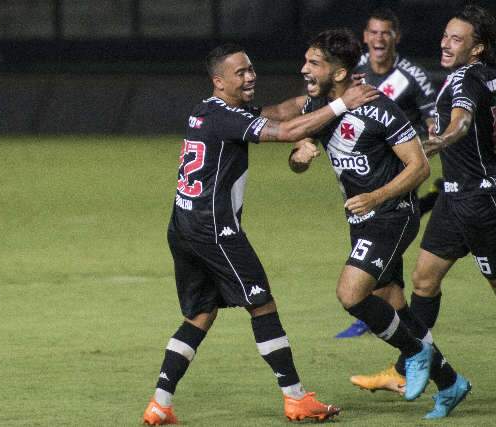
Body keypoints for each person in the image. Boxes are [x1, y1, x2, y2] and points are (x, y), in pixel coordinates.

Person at [141, 43, 379, 425]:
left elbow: (280, 112)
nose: (250, 76)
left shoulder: (208, 111)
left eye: (251, 69)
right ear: (219, 81)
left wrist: (319, 94)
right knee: (261, 305)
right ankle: (296, 399)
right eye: (241, 73)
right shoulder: (226, 119)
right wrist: (341, 105)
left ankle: (160, 404)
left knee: (200, 313)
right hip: (214, 229)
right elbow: (285, 130)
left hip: (183, 225)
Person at [352, 4, 496, 414]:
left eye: (457, 39)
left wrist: (440, 140)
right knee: (424, 280)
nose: (445, 44)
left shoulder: (465, 80)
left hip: (481, 201)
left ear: (476, 48)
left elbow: (461, 123)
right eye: (446, 36)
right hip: (454, 195)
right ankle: (406, 366)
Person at [271, 28, 468, 419]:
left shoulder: (379, 108)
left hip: (393, 215)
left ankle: (414, 355)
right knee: (394, 305)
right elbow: (296, 157)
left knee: (350, 294)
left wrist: (377, 197)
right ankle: (450, 382)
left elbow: (420, 166)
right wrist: (300, 157)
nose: (303, 69)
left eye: (314, 63)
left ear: (340, 71)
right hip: (362, 220)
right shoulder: (317, 107)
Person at [337, 8, 443, 339]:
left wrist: (430, 141)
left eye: (386, 33)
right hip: (366, 173)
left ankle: (380, 313)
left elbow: (433, 120)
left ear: (396, 36)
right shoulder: (355, 75)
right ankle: (381, 309)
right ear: (364, 37)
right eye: (374, 32)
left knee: (386, 231)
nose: (379, 38)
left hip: (401, 172)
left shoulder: (412, 75)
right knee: (379, 238)